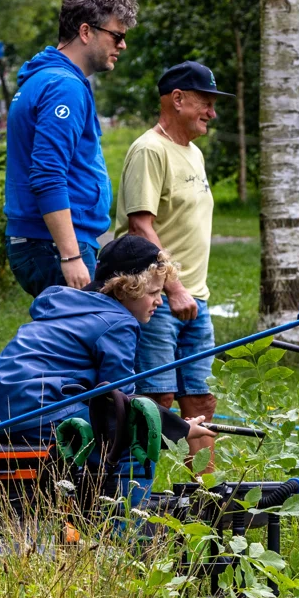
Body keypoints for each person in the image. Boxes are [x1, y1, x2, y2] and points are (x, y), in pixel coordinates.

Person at [0, 235, 216, 457]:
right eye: (153, 292)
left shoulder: (69, 305)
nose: (159, 301)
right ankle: (124, 491)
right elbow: (122, 401)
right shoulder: (118, 323)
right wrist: (179, 429)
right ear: (124, 289)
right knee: (134, 440)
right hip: (37, 416)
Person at [114, 60, 232, 448]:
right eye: (206, 103)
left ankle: (206, 486)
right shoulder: (149, 150)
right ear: (177, 99)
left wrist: (188, 291)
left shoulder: (194, 153)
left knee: (202, 400)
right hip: (156, 296)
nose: (212, 113)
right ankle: (133, 483)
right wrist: (174, 287)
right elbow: (140, 228)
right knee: (155, 400)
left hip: (195, 298)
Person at [2, 0, 139, 296]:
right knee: (84, 328)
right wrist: (70, 255)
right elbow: (48, 174)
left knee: (69, 327)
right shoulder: (64, 87)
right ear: (86, 31)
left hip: (47, 241)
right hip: (54, 244)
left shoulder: (46, 79)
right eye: (117, 36)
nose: (122, 45)